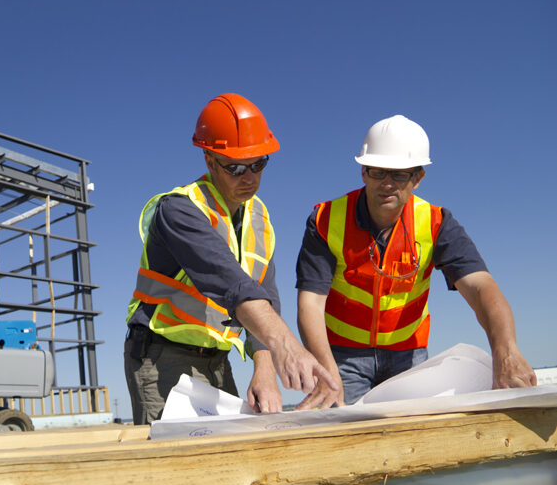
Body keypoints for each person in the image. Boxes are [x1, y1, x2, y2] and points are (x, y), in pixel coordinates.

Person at [295, 114, 537, 409]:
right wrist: (326, 370)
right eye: (377, 171)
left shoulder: (437, 223)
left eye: (398, 174)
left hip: (408, 355)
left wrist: (506, 352)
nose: (387, 183)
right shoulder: (325, 220)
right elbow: (310, 303)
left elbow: (480, 287)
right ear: (363, 172)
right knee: (340, 435)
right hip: (341, 356)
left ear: (417, 178)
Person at [124, 93, 336, 425]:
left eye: (258, 164)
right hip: (161, 355)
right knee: (177, 468)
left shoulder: (259, 218)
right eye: (235, 167)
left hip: (217, 360)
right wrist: (286, 345)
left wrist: (264, 367)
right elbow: (233, 285)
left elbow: (264, 294)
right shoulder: (180, 210)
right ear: (210, 161)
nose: (248, 177)